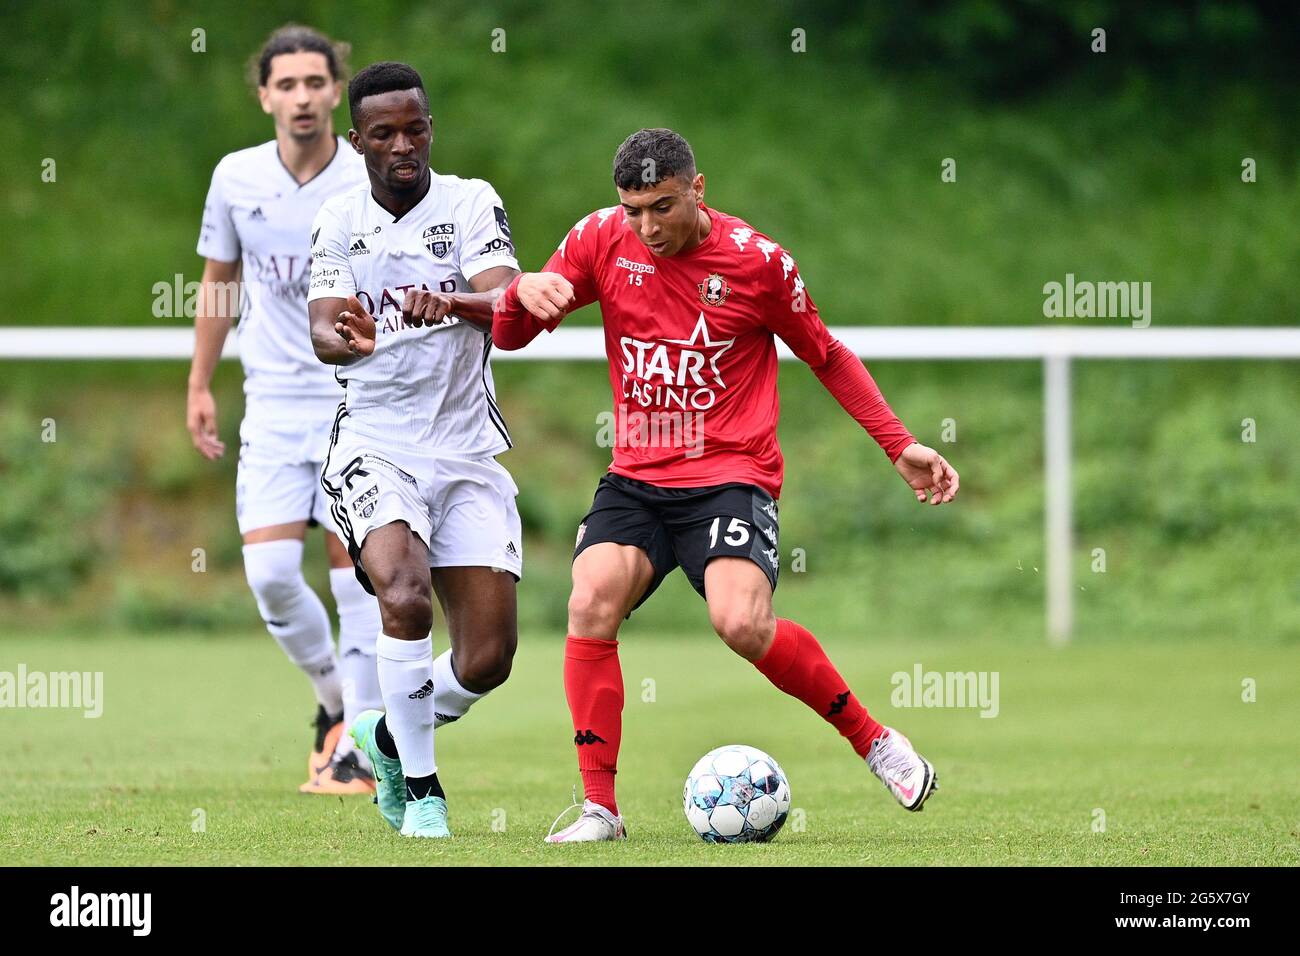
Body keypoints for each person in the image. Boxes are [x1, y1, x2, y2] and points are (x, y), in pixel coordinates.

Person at [492, 128, 960, 842]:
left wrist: (898, 443)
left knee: (740, 623)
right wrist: (520, 290)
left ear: (698, 188)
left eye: (663, 206)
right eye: (633, 209)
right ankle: (600, 811)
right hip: (639, 473)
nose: (647, 227)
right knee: (589, 602)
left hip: (730, 475)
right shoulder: (598, 239)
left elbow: (826, 354)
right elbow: (511, 337)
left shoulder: (759, 264)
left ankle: (875, 742)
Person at [307, 62, 523, 838]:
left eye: (417, 128)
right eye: (386, 133)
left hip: (465, 450)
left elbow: (509, 300)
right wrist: (345, 336)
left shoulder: (471, 201)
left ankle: (386, 735)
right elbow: (324, 323)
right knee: (402, 594)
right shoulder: (337, 219)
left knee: (489, 657)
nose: (405, 145)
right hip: (375, 440)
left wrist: (456, 300)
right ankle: (424, 791)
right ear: (357, 139)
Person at [187, 24, 380, 795]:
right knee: (269, 573)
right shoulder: (236, 176)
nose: (302, 97)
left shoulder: (369, 180)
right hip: (269, 403)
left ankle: (362, 750)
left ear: (337, 90)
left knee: (353, 577)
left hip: (353, 402)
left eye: (315, 82)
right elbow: (219, 283)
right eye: (287, 85)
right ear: (264, 95)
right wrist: (200, 381)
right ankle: (332, 702)